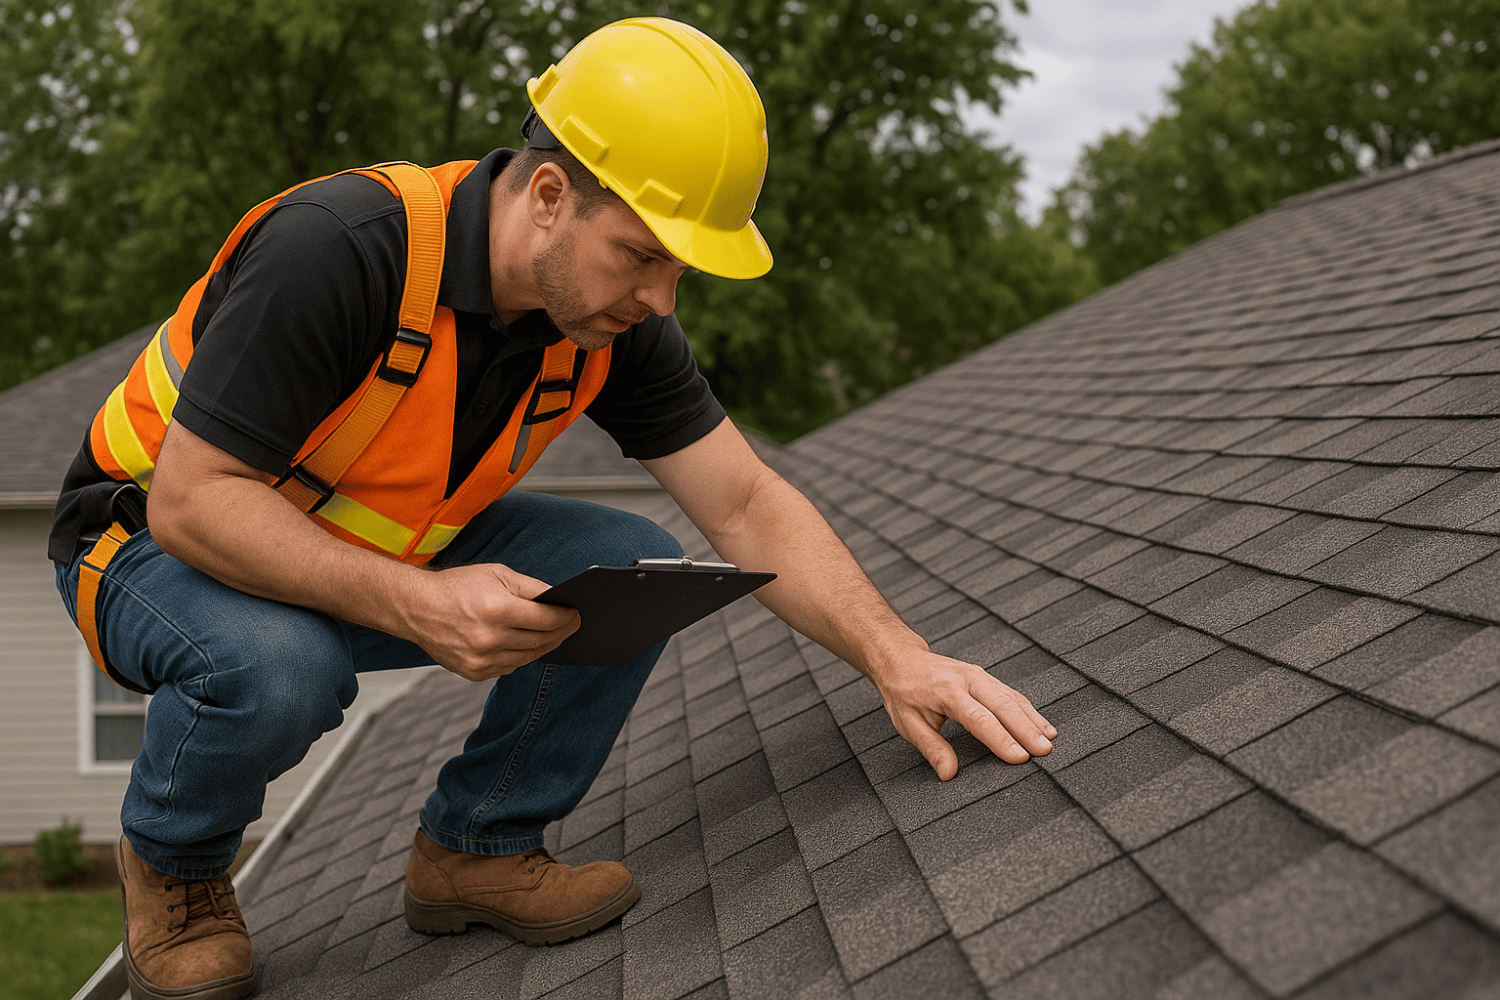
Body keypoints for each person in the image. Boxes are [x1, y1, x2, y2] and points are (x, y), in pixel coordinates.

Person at [50, 16, 1056, 1000]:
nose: (661, 301)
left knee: (631, 566)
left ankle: (476, 847)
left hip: (359, 547)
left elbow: (746, 499)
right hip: (147, 547)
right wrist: (418, 602)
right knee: (279, 668)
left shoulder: (608, 321)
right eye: (642, 254)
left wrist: (898, 653)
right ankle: (177, 871)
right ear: (545, 194)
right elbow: (193, 501)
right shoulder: (340, 251)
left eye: (681, 269)